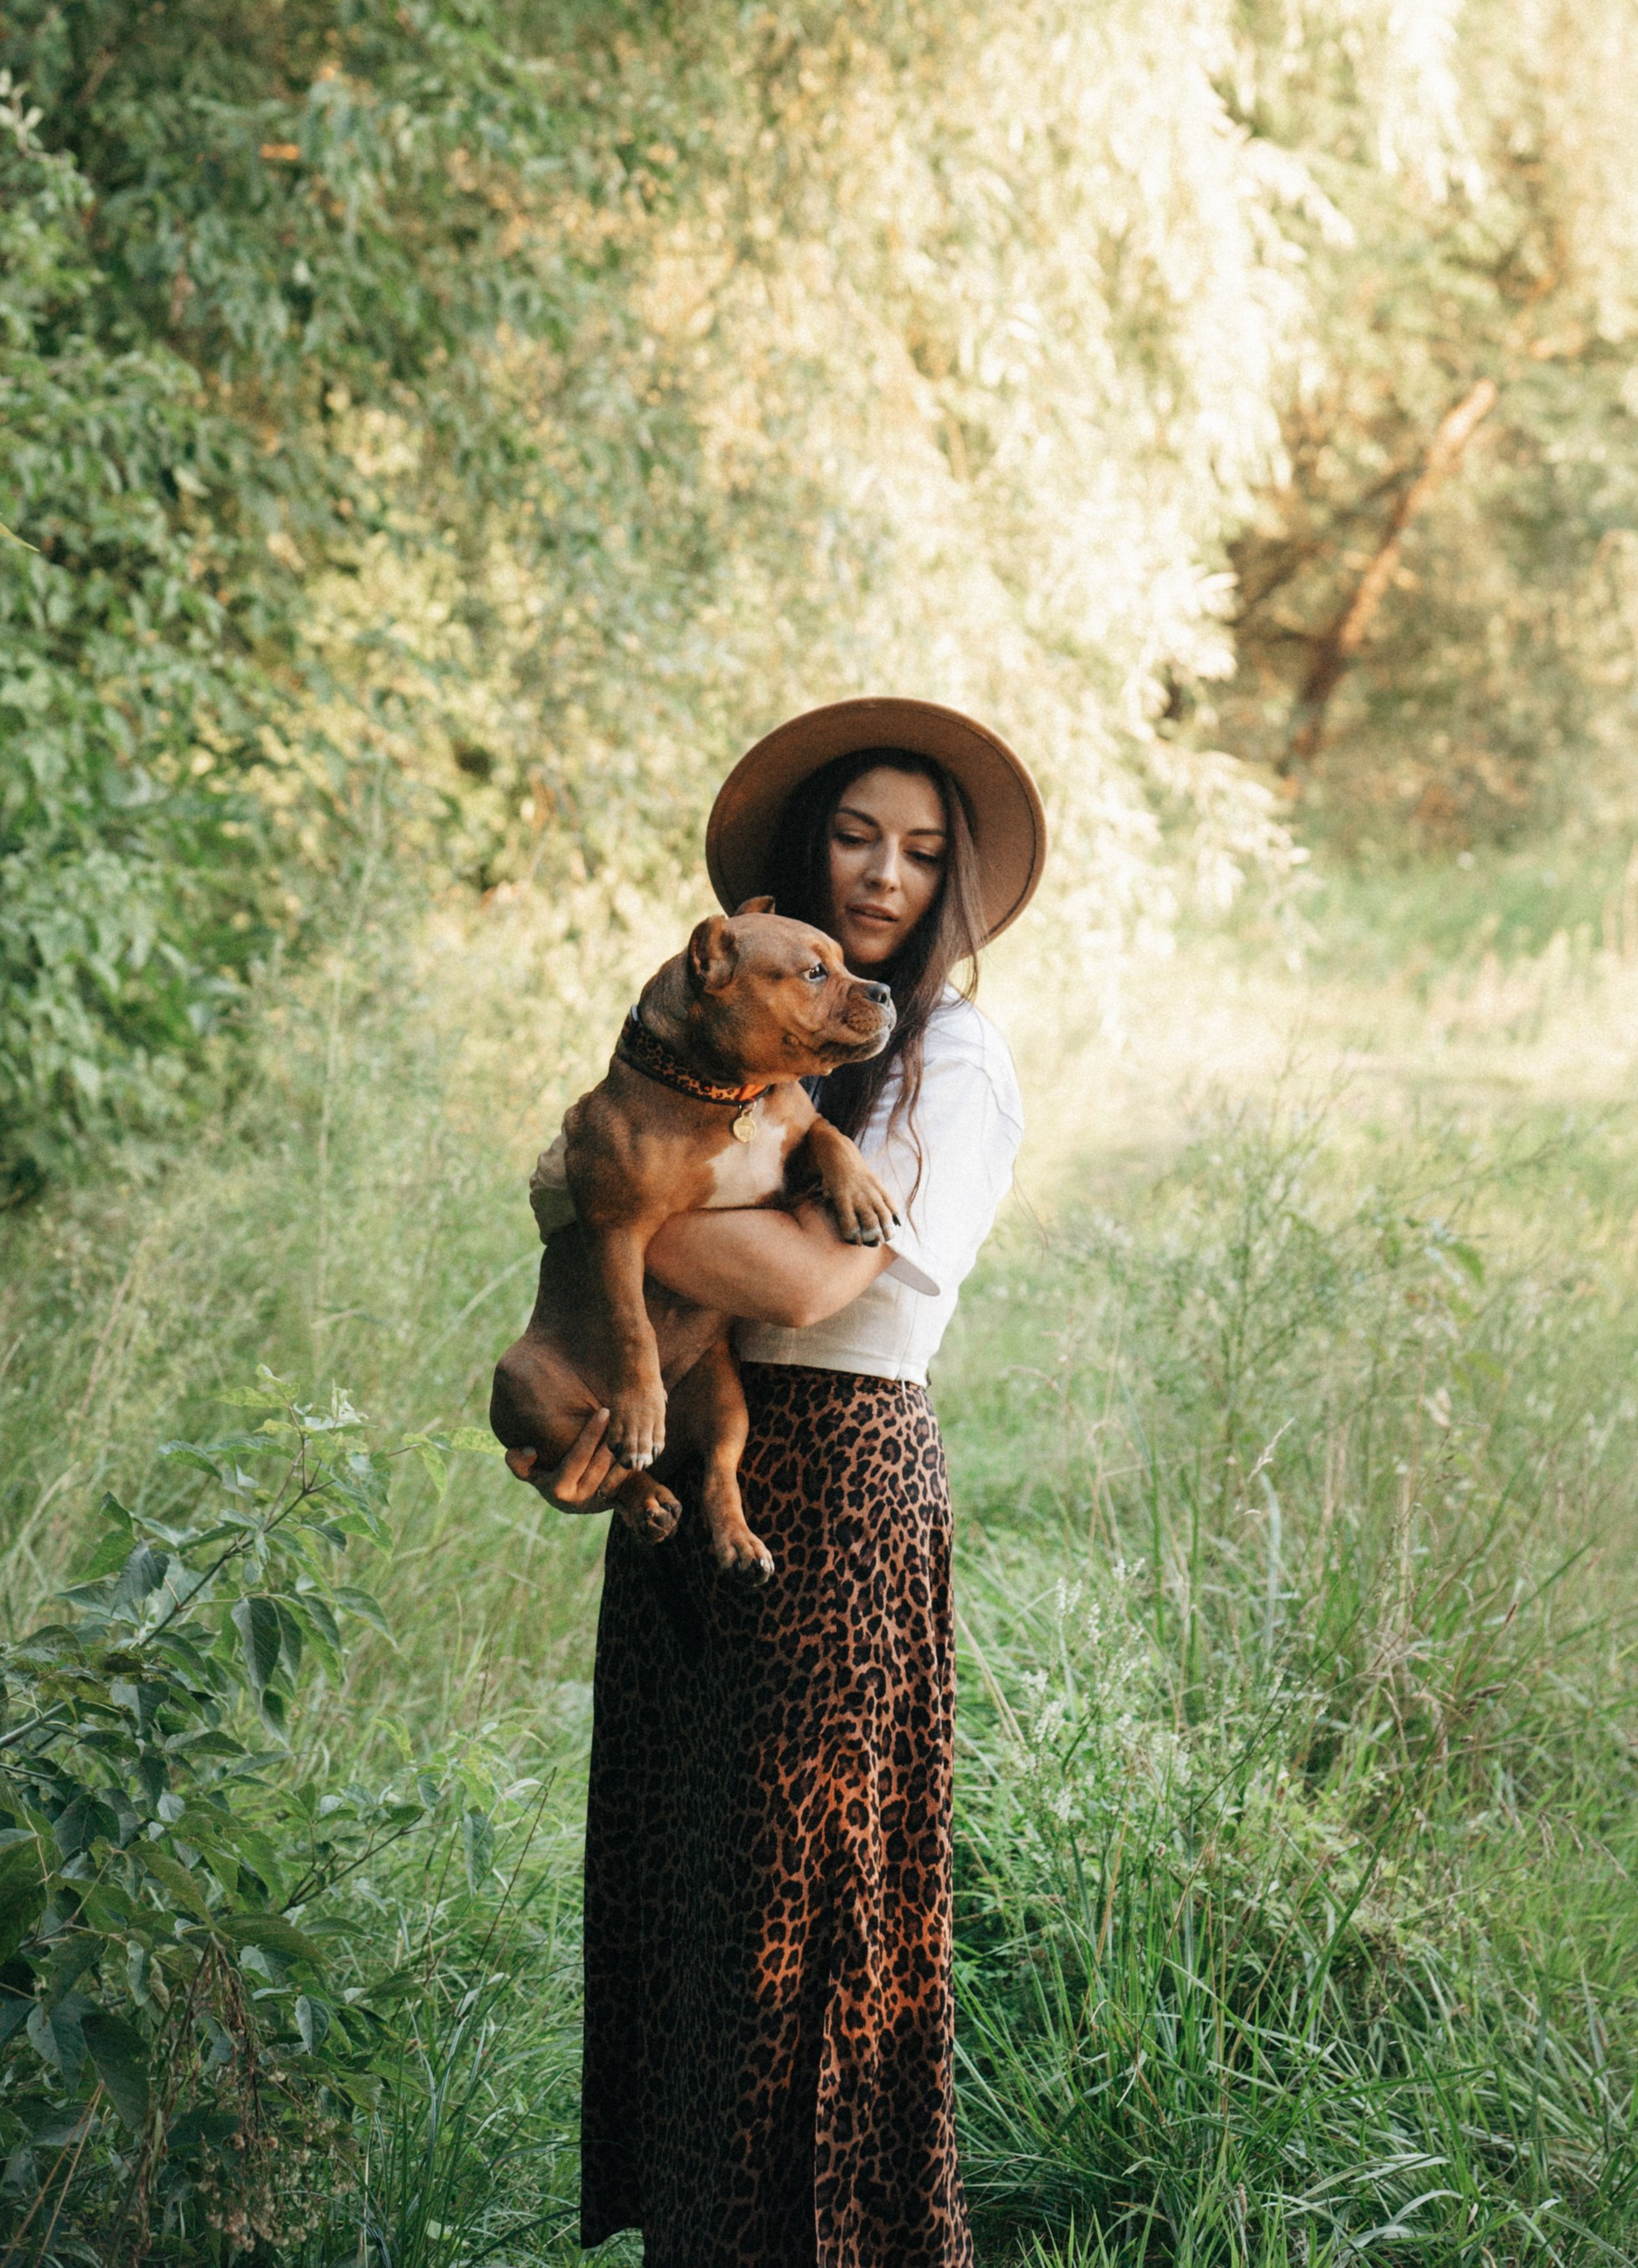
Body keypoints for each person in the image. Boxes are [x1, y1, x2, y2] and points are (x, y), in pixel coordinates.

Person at [502, 694, 1045, 2268]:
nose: (882, 874)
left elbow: (812, 1292)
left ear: (952, 890)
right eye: (856, 838)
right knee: (687, 1897)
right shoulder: (732, 1031)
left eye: (922, 852)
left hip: (846, 1493)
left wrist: (596, 1206)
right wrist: (610, 1215)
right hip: (693, 1462)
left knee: (807, 1933)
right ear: (801, 869)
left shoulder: (954, 1061)